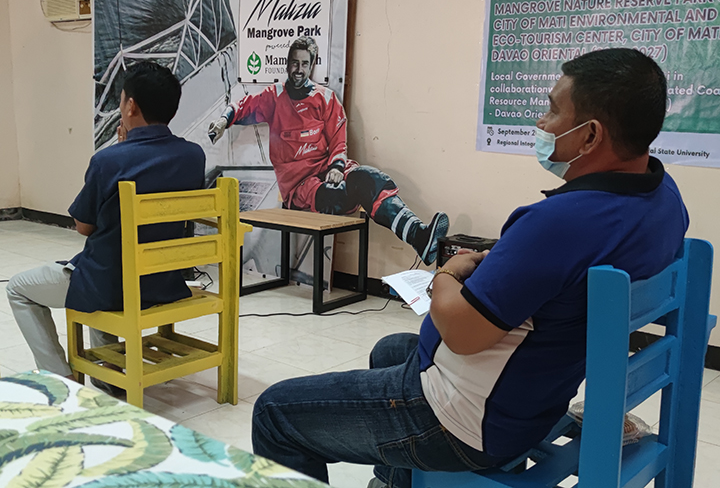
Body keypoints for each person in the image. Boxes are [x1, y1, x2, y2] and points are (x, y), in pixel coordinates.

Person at [249, 48, 689, 488]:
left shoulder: (559, 223)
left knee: (274, 413)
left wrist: (446, 273)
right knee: (390, 350)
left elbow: (461, 332)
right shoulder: (664, 201)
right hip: (537, 394)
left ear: (590, 136)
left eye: (553, 110)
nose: (542, 122)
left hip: (469, 422)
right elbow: (559, 272)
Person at [6, 62, 206, 385]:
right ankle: (107, 373)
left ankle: (62, 377)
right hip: (162, 283)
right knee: (105, 266)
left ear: (131, 106)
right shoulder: (194, 156)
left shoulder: (108, 160)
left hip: (111, 285)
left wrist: (122, 149)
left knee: (18, 288)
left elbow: (83, 226)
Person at [208, 36, 448, 265]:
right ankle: (414, 234)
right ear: (287, 64)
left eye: (304, 64)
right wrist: (222, 121)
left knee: (369, 178)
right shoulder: (274, 96)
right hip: (299, 186)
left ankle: (419, 236)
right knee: (336, 195)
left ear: (312, 66)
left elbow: (338, 141)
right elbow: (243, 106)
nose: (299, 69)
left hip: (329, 169)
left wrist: (336, 167)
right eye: (294, 63)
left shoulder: (326, 98)